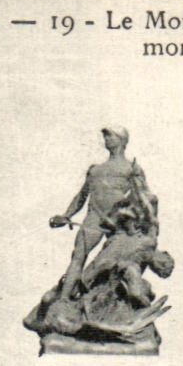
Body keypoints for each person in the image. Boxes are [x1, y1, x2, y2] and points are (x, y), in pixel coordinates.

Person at [49, 126, 156, 300]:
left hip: (120, 223)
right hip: (95, 217)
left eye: (110, 136)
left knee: (121, 262)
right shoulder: (95, 170)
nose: (106, 139)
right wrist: (66, 216)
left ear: (122, 140)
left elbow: (145, 198)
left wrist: (141, 225)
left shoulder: (131, 168)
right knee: (78, 256)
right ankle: (63, 300)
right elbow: (81, 196)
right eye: (105, 136)